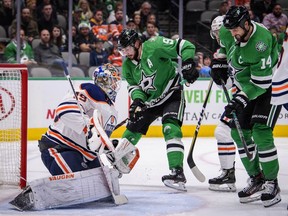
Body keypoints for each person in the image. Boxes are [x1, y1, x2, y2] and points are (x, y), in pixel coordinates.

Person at [10, 64, 125, 210]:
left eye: (116, 81)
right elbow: (64, 109)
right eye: (111, 80)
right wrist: (87, 128)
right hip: (60, 148)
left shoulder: (112, 111)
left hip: (86, 156)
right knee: (80, 185)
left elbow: (96, 142)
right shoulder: (89, 90)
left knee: (104, 187)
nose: (114, 85)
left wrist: (110, 151)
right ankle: (32, 195)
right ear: (101, 80)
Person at [210, 6, 282, 207]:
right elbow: (224, 46)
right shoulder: (228, 30)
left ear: (246, 24)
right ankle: (256, 178)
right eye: (230, 31)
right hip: (247, 86)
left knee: (260, 132)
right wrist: (220, 62)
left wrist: (240, 98)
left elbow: (261, 83)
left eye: (236, 30)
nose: (233, 34)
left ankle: (271, 182)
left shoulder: (261, 42)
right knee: (237, 132)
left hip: (270, 84)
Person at [116, 29, 199, 191]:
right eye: (122, 50)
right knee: (132, 128)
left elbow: (185, 46)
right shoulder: (127, 65)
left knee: (170, 128)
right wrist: (138, 100)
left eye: (127, 49)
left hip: (172, 94)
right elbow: (134, 86)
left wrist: (188, 62)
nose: (125, 53)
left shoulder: (155, 46)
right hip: (150, 102)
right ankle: (116, 166)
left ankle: (177, 172)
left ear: (137, 43)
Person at [208, 15, 237, 192]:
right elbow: (227, 84)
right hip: (239, 97)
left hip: (249, 96)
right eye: (216, 33)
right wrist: (219, 76)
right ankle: (229, 174)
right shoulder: (224, 50)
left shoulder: (237, 47)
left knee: (225, 132)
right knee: (223, 132)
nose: (219, 36)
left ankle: (259, 177)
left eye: (221, 32)